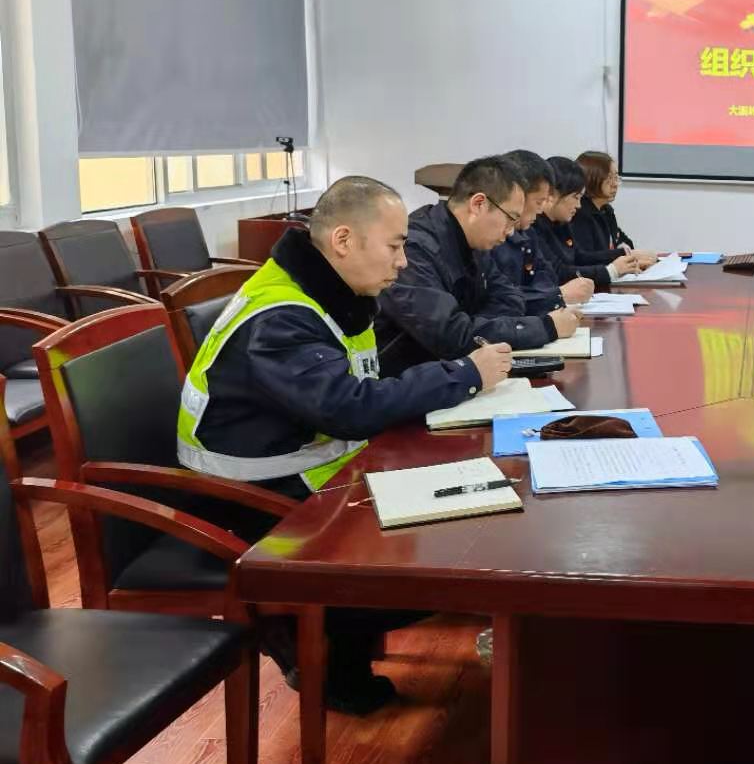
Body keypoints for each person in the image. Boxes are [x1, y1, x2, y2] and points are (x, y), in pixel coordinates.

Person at [177, 175, 513, 713]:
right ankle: (311, 648)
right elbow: (350, 408)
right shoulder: (282, 316)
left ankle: (336, 654)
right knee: (433, 565)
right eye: (394, 246)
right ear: (342, 241)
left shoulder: (331, 292)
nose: (403, 262)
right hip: (249, 501)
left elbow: (358, 391)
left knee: (460, 518)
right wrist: (463, 375)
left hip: (304, 468)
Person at [376, 157, 581, 376]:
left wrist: (474, 325)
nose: (511, 231)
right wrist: (545, 327)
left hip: (458, 373)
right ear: (478, 204)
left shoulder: (476, 244)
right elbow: (451, 336)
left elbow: (510, 298)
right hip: (411, 379)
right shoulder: (416, 249)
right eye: (510, 219)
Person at [490, 149, 595, 313]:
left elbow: (548, 276)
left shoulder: (528, 233)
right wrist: (556, 296)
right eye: (539, 202)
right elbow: (499, 299)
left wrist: (550, 295)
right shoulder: (490, 238)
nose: (540, 210)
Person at [534, 156, 648, 289]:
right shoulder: (534, 227)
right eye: (576, 197)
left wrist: (622, 255)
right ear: (553, 194)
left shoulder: (562, 221)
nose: (578, 205)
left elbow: (579, 257)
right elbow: (558, 272)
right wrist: (611, 271)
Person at [572, 150, 657, 265]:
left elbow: (626, 242)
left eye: (616, 177)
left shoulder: (606, 210)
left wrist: (623, 251)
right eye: (609, 178)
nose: (615, 184)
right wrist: (622, 253)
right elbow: (587, 259)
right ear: (591, 179)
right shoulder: (579, 213)